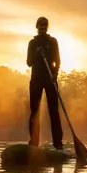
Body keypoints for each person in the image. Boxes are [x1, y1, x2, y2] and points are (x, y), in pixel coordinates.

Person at [27, 16, 64, 150]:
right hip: (36, 80)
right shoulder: (32, 43)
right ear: (37, 27)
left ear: (47, 27)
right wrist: (37, 53)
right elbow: (29, 62)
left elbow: (57, 60)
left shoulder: (53, 41)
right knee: (34, 112)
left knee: (54, 112)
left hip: (50, 79)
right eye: (40, 25)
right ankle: (34, 143)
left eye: (45, 25)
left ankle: (58, 144)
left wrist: (56, 73)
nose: (42, 27)